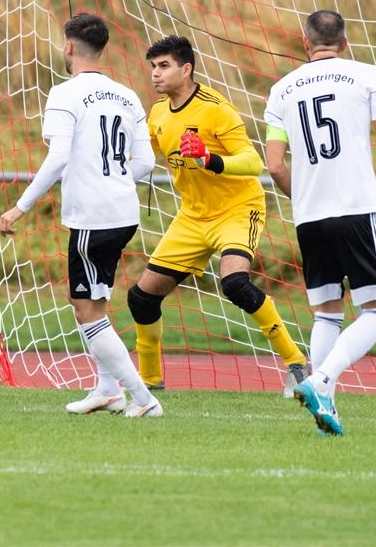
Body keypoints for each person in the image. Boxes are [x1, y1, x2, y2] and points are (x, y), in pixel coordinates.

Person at [264, 9, 376, 436]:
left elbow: (275, 164)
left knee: (327, 314)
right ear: (345, 42)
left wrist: (304, 196)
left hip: (310, 216)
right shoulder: (365, 75)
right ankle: (320, 381)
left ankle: (325, 411)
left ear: (305, 43)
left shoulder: (282, 89)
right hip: (354, 210)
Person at [0, 13, 162, 417]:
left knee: (86, 308)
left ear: (69, 47)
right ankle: (107, 391)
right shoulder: (127, 95)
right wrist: (114, 177)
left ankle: (144, 398)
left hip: (93, 215)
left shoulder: (64, 94)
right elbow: (146, 162)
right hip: (123, 211)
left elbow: (57, 158)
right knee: (93, 302)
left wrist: (18, 208)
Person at [126, 35, 309, 395]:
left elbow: (253, 161)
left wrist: (210, 158)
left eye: (164, 66)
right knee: (141, 298)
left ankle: (297, 364)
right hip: (192, 217)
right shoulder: (158, 113)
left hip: (237, 211)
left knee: (235, 284)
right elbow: (140, 155)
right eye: (153, 67)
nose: (155, 74)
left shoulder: (216, 108)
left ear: (187, 68)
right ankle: (147, 384)